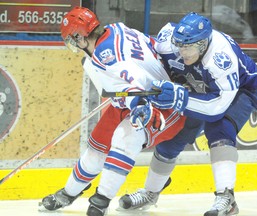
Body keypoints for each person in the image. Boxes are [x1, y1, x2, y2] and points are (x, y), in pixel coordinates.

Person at [39, 7, 189, 216]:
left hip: (160, 104)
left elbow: (138, 81)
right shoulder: (116, 28)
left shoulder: (105, 56)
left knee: (124, 139)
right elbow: (152, 47)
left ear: (79, 37)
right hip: (128, 101)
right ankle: (68, 193)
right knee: (95, 151)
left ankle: (101, 201)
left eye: (72, 41)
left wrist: (138, 102)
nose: (74, 46)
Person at [118, 12, 257, 216]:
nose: (183, 51)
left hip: (239, 91)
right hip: (197, 88)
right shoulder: (169, 41)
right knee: (172, 139)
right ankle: (151, 193)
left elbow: (216, 108)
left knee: (220, 129)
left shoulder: (221, 59)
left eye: (189, 47)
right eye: (180, 45)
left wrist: (179, 98)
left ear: (203, 44)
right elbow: (144, 50)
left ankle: (226, 198)